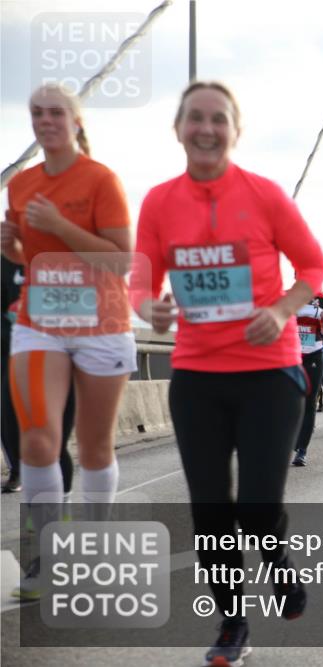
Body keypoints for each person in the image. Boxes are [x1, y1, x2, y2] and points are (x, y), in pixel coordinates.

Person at [130, 81, 323, 664]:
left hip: (269, 372)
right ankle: (231, 624)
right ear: (178, 127)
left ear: (234, 131)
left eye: (218, 119)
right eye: (195, 118)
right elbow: (141, 278)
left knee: (259, 507)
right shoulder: (160, 202)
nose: (206, 128)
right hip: (196, 376)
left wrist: (281, 310)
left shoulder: (264, 195)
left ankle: (279, 565)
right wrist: (148, 306)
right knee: (210, 509)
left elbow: (312, 263)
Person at [3, 83, 136, 601]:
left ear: (76, 121)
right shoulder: (20, 184)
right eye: (36, 113)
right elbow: (25, 257)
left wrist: (59, 224)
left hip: (102, 322)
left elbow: (121, 260)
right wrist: (13, 245)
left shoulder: (101, 180)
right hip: (41, 322)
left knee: (96, 445)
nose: (45, 120)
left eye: (56, 112)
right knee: (37, 438)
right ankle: (44, 558)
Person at [1, 258, 75, 497]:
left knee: (53, 443)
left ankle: (59, 511)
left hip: (55, 358)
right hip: (12, 356)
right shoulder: (4, 262)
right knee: (19, 439)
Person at [291, 293, 323, 466]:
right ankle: (293, 438)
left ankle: (302, 449)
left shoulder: (321, 299)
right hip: (291, 356)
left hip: (313, 355)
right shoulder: (288, 294)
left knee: (309, 402)